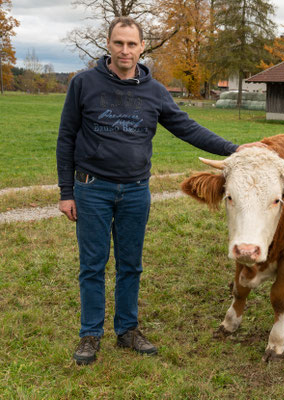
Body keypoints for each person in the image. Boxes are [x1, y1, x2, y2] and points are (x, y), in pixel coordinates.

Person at [57, 16, 262, 365]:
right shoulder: (84, 84)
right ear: (108, 44)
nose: (125, 50)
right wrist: (66, 191)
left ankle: (127, 330)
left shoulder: (154, 91)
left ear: (141, 47)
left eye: (132, 44)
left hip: (136, 191)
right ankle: (90, 334)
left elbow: (186, 127)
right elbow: (66, 137)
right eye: (119, 43)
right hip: (92, 189)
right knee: (92, 265)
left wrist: (233, 149)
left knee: (131, 265)